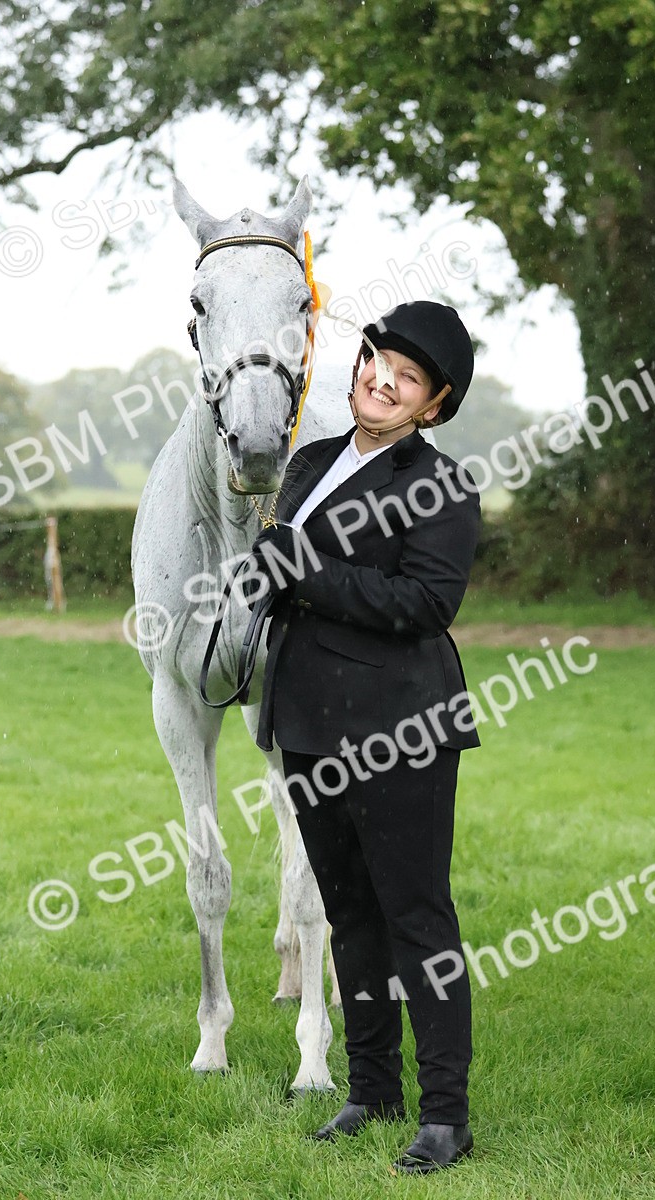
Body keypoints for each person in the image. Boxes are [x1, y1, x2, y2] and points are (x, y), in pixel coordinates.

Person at [248, 300, 481, 1176]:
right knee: (348, 914)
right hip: (305, 722)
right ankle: (372, 1089)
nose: (381, 378)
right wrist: (263, 580)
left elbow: (426, 604)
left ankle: (447, 1117)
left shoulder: (443, 486)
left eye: (407, 375)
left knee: (417, 918)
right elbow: (286, 579)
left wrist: (303, 569)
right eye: (375, 358)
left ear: (434, 402)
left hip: (402, 729)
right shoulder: (309, 462)